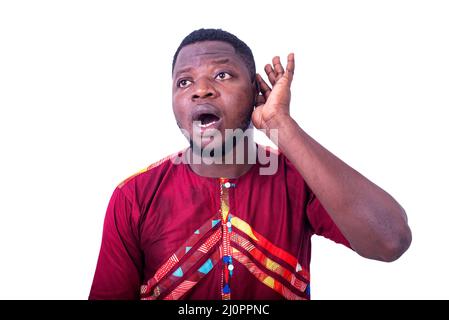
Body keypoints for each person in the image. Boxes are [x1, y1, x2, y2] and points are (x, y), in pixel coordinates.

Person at [89, 28, 412, 300]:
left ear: (257, 90)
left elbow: (389, 242)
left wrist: (279, 125)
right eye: (184, 82)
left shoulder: (299, 180)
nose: (201, 90)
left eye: (222, 74)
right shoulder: (134, 196)